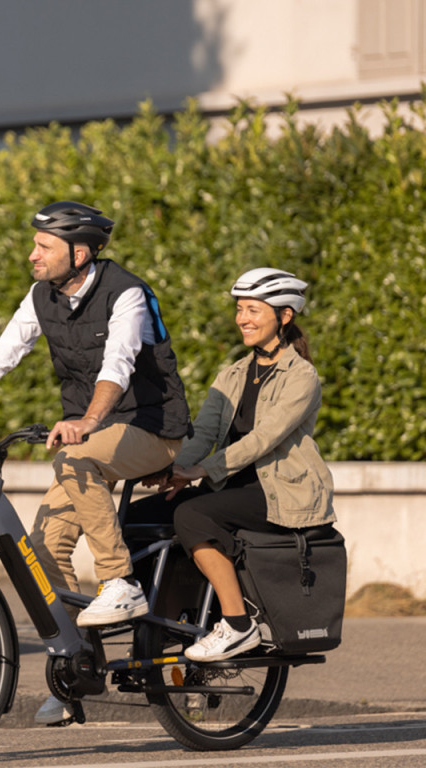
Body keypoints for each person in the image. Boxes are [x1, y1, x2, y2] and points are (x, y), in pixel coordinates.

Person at [0, 201, 191, 721]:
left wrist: (87, 421)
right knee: (42, 550)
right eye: (34, 244)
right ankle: (77, 672)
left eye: (44, 247)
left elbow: (120, 363)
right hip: (92, 441)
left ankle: (119, 582)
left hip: (153, 429)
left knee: (78, 457)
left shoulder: (125, 291)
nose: (32, 254)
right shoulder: (42, 297)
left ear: (79, 253)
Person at [131, 267, 336, 662]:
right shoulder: (234, 373)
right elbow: (203, 433)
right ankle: (162, 618)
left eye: (254, 310)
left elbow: (265, 438)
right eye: (240, 309)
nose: (243, 318)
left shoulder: (302, 376)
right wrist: (175, 469)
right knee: (138, 516)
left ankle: (239, 625)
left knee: (192, 515)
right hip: (230, 484)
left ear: (285, 316)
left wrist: (202, 471)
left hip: (280, 490)